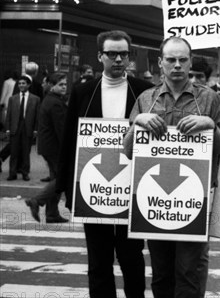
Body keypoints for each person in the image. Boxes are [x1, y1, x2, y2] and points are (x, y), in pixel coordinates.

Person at [124, 36, 220, 298]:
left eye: (182, 60)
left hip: (194, 199)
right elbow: (127, 151)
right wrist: (138, 121)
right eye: (171, 60)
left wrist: (210, 124)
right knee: (161, 272)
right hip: (155, 199)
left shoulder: (208, 99)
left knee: (188, 272)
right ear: (160, 63)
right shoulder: (146, 99)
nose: (177, 65)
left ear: (190, 62)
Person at [56, 30, 154, 298]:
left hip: (131, 189)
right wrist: (65, 189)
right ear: (100, 56)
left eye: (124, 53)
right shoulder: (83, 92)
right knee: (98, 262)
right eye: (112, 54)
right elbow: (68, 142)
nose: (119, 59)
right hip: (93, 189)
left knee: (131, 258)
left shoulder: (144, 91)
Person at [25, 72, 69, 223]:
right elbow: (61, 129)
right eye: (60, 84)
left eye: (65, 84)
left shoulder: (51, 100)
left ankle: (52, 214)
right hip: (54, 148)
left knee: (56, 178)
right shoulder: (56, 103)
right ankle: (36, 200)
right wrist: (68, 149)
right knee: (63, 178)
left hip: (48, 146)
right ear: (52, 86)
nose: (64, 87)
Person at [5, 75, 40, 181]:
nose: (21, 85)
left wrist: (36, 129)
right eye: (19, 83)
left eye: (23, 83)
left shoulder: (35, 99)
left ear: (28, 85)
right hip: (15, 127)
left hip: (27, 127)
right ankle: (13, 173)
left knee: (26, 152)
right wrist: (7, 128)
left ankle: (25, 173)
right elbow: (9, 115)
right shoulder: (13, 99)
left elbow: (37, 116)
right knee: (14, 151)